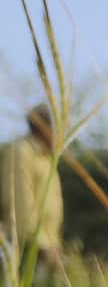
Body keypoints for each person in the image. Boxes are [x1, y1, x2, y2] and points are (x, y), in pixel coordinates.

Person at [1, 103, 63, 269]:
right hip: (26, 245)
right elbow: (20, 202)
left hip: (48, 243)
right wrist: (40, 243)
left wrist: (53, 241)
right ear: (43, 127)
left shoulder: (47, 157)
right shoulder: (21, 152)